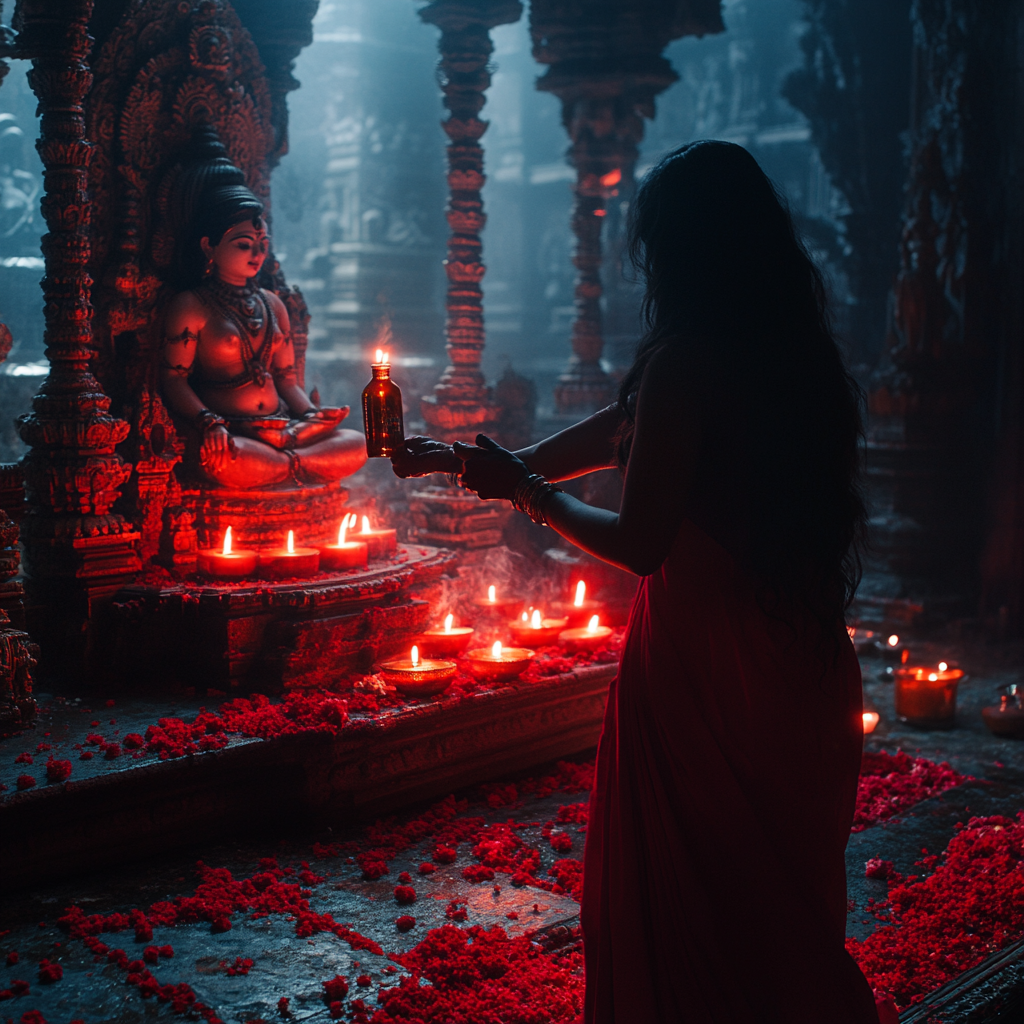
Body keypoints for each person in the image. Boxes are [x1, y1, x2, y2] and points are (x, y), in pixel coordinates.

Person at [392, 141, 884, 1023]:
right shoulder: (784, 351)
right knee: (777, 923)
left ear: (681, 251)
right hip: (797, 663)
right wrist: (490, 464)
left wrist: (529, 496)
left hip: (709, 677)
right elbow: (630, 426)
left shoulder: (686, 359)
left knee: (704, 920)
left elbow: (646, 541)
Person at [160, 128, 366, 489]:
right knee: (225, 459)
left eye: (262, 244)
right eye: (243, 244)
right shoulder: (192, 304)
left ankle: (281, 463)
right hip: (232, 431)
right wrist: (210, 423)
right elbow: (173, 378)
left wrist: (313, 415)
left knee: (359, 444)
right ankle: (294, 465)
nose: (257, 255)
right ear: (208, 246)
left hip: (285, 429)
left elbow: (286, 380)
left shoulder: (273, 304)